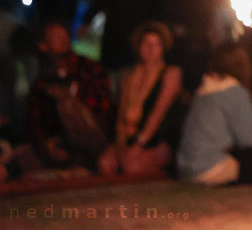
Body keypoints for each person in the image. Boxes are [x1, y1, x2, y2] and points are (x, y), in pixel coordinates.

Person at [177, 41, 252, 184]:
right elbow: (247, 139)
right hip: (210, 168)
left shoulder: (204, 89)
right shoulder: (235, 91)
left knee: (250, 157)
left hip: (185, 169)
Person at [98, 21, 183, 176]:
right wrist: (120, 146)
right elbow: (120, 117)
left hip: (157, 140)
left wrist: (138, 146)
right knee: (106, 163)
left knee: (131, 167)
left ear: (163, 48)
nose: (151, 49)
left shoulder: (170, 74)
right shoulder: (129, 77)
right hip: (129, 137)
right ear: (139, 46)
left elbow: (157, 115)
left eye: (156, 45)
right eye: (147, 43)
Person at [26, 20, 113, 169]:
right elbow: (36, 120)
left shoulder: (89, 68)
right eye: (56, 36)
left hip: (93, 138)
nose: (63, 39)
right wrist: (50, 145)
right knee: (23, 156)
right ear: (43, 45)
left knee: (66, 105)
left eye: (64, 35)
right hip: (61, 144)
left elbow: (102, 108)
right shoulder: (42, 81)